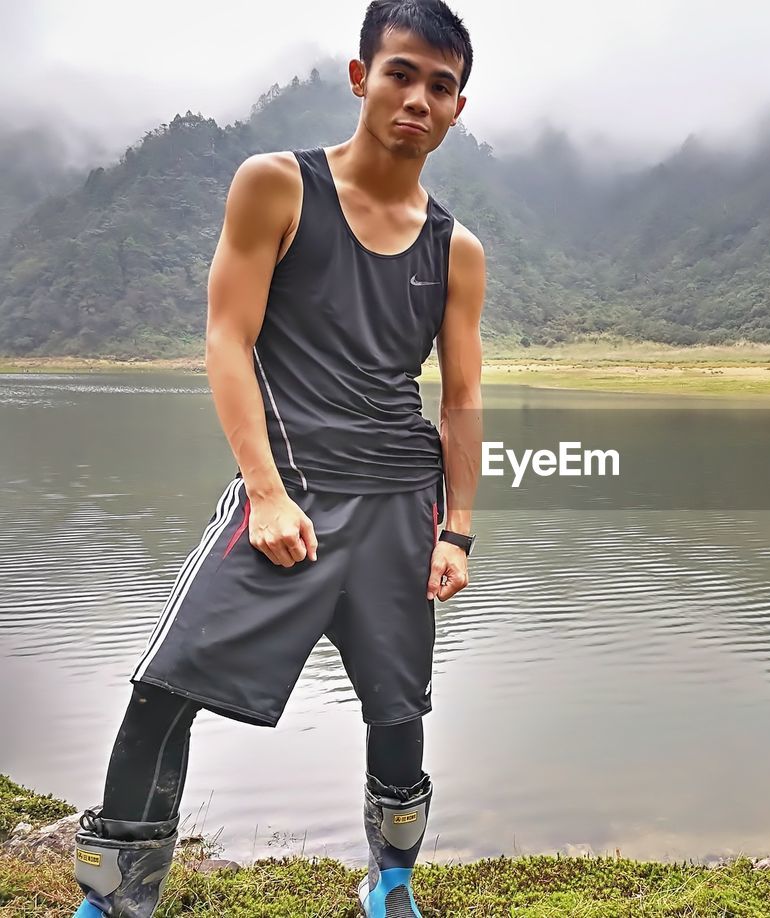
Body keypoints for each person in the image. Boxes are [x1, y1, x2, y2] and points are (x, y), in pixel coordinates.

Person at [69, 2, 484, 915]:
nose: (418, 98)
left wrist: (455, 531)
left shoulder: (457, 249)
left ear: (458, 108)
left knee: (397, 706)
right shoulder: (279, 186)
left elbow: (458, 400)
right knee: (164, 687)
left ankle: (391, 884)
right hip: (286, 498)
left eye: (440, 86)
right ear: (359, 77)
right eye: (401, 73)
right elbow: (227, 337)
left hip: (400, 505)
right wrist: (262, 491)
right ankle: (110, 899)